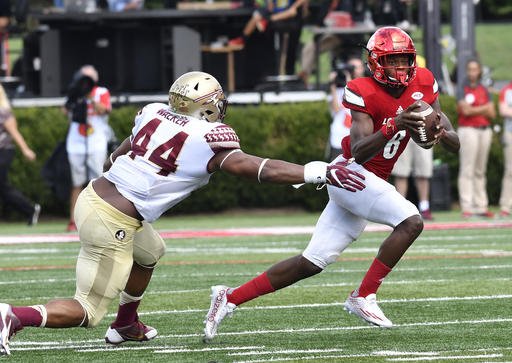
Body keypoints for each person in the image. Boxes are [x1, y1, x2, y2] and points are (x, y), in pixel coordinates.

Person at [0, 71, 365, 356]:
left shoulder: (153, 112)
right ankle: (15, 315)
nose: (220, 108)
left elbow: (121, 151)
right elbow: (258, 168)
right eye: (215, 102)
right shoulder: (209, 136)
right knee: (87, 310)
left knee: (149, 253)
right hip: (113, 218)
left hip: (95, 194)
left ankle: (126, 324)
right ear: (205, 106)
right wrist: (318, 171)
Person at [202, 26, 460, 341]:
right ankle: (364, 295)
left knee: (312, 262)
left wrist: (438, 133)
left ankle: (229, 297)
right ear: (377, 62)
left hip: (370, 184)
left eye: (405, 60)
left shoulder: (423, 82)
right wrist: (394, 124)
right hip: (349, 173)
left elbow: (451, 140)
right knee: (411, 221)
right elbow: (361, 151)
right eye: (392, 61)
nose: (401, 68)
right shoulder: (360, 88)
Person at [65, 65, 112, 232]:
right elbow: (66, 111)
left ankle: (100, 217)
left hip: (96, 141)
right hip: (76, 142)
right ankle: (73, 219)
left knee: (98, 181)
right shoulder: (74, 92)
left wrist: (90, 96)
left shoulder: (101, 92)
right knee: (76, 182)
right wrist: (75, 97)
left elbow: (105, 110)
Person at [391, 54, 434, 221]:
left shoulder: (424, 81)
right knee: (401, 171)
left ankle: (425, 206)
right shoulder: (396, 84)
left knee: (423, 170)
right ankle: (399, 208)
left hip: (422, 129)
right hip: (403, 130)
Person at [456, 58, 496, 218]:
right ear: (467, 71)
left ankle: (481, 205)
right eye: (470, 69)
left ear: (479, 71)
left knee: (480, 169)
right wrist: (484, 108)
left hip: (484, 130)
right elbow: (465, 111)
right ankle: (467, 205)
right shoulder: (462, 89)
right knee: (467, 168)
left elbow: (492, 113)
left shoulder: (484, 89)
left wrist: (475, 109)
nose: (473, 72)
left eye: (475, 69)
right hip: (468, 130)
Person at [0, 83, 40, 226]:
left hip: (3, 151)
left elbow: (14, 133)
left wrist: (25, 149)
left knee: (2, 185)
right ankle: (29, 210)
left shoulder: (3, 111)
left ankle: (30, 210)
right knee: (3, 188)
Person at [326, 55, 365, 160]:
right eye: (352, 67)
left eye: (357, 67)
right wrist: (332, 85)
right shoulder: (338, 90)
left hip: (357, 140)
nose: (355, 71)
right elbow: (336, 109)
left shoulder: (365, 87)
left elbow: (352, 100)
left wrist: (349, 81)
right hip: (339, 139)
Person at [498, 80, 512, 218]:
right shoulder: (507, 90)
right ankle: (506, 206)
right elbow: (503, 110)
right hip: (510, 133)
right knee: (510, 170)